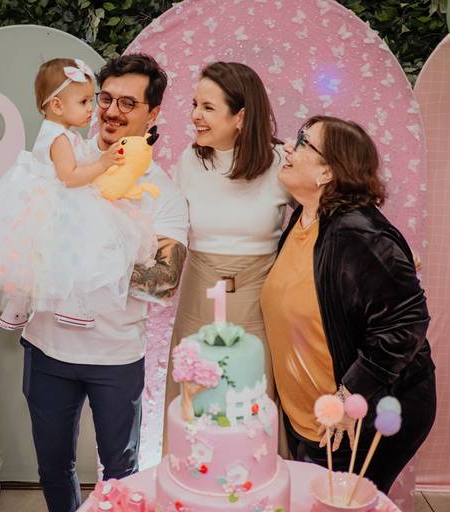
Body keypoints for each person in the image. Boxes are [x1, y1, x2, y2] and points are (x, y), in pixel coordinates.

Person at [18, 54, 188, 512]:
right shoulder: (63, 161)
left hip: (115, 356)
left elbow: (164, 282)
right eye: (105, 98)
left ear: (153, 113)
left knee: (120, 473)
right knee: (53, 468)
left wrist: (92, 257)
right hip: (48, 346)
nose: (111, 111)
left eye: (128, 103)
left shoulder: (163, 192)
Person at [260, 115, 436, 493]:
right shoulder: (306, 216)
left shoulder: (358, 233)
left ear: (327, 172)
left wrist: (347, 398)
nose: (288, 147)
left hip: (359, 421)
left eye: (302, 141)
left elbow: (407, 324)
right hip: (312, 418)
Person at [0, 57, 160, 331]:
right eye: (84, 102)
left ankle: (18, 307)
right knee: (75, 252)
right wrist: (103, 163)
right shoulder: (60, 139)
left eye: (90, 101)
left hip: (39, 203)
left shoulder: (60, 133)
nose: (91, 109)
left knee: (32, 261)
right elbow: (69, 177)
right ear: (57, 105)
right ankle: (70, 304)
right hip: (58, 203)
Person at [162, 61, 291, 452]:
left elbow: (320, 219)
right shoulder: (189, 161)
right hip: (198, 295)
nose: (194, 116)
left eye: (207, 107)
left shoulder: (281, 162)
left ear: (241, 117)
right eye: (194, 104)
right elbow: (168, 229)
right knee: (194, 402)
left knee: (249, 404)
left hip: (258, 300)